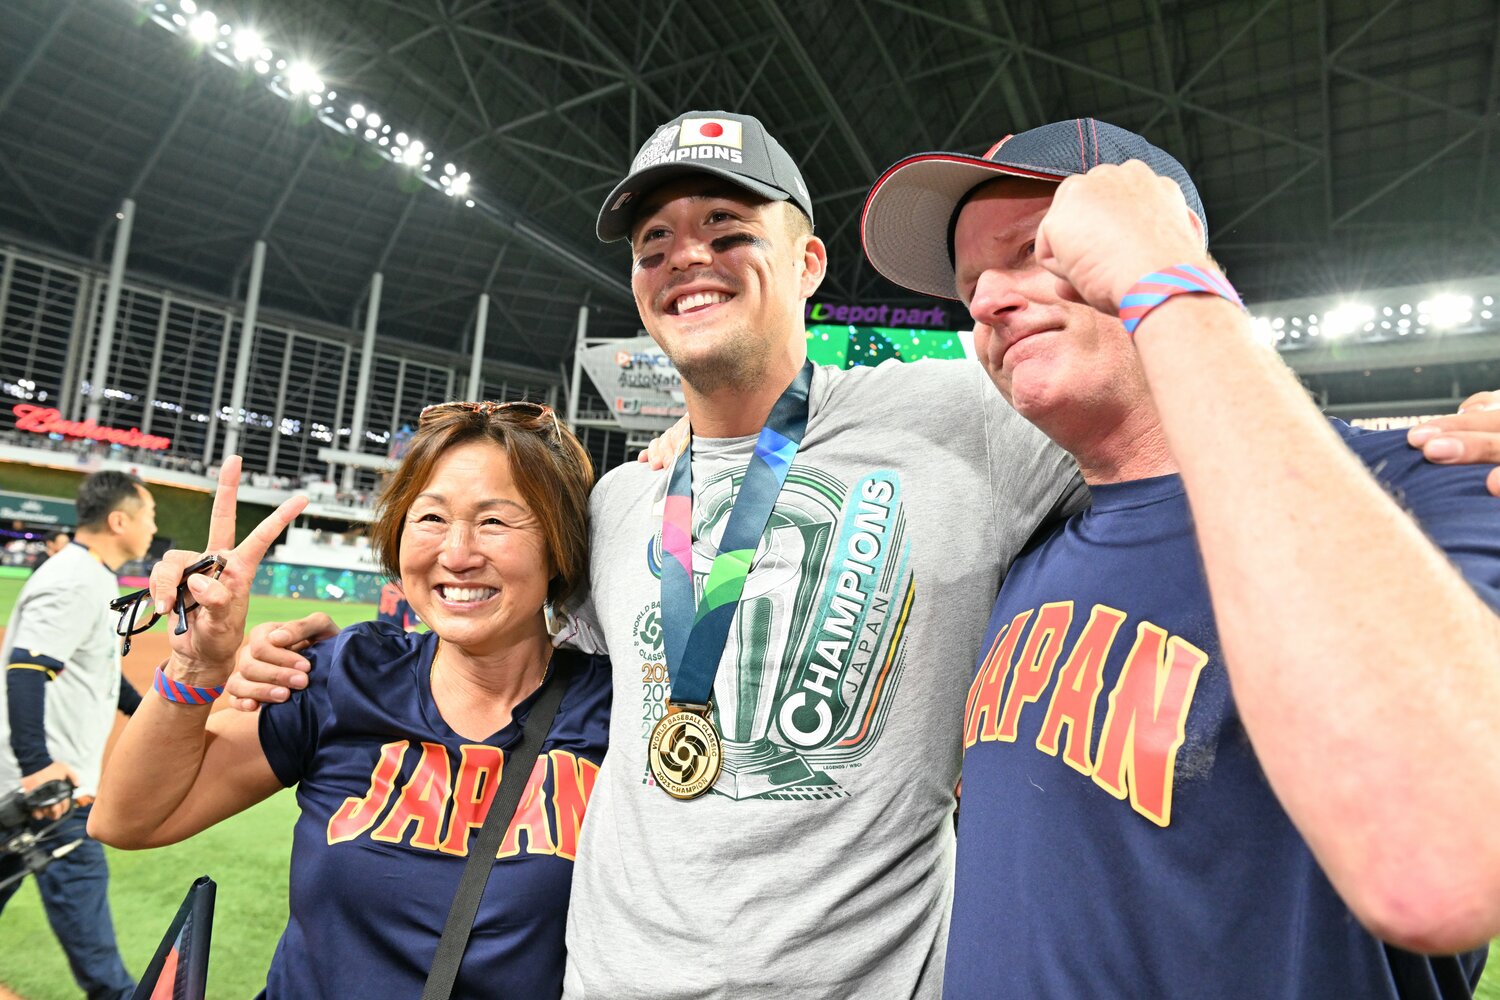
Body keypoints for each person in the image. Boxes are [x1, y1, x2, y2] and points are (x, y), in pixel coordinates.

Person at [231, 110, 1500, 999]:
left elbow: (1191, 430)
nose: (691, 258)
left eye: (730, 228)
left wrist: (1405, 430)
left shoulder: (964, 420)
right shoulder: (625, 506)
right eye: (656, 241)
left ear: (808, 260)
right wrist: (249, 669)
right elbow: (484, 649)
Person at [859, 118, 1500, 997]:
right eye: (971, 284)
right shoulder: (1029, 550)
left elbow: (1438, 867)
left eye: (1035, 252)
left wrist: (1167, 278)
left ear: (1159, 236)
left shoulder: (1436, 486)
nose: (986, 302)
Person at [88, 401, 610, 999]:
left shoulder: (614, 716)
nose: (458, 553)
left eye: (495, 522)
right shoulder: (350, 676)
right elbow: (127, 818)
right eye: (431, 517)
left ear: (559, 544)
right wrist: (197, 665)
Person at [0, 471, 155, 1000]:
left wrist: (159, 717)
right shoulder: (76, 578)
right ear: (119, 521)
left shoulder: (91, 576)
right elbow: (25, 670)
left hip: (29, 793)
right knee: (101, 963)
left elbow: (103, 678)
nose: (153, 527)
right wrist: (36, 766)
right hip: (48, 796)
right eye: (148, 515)